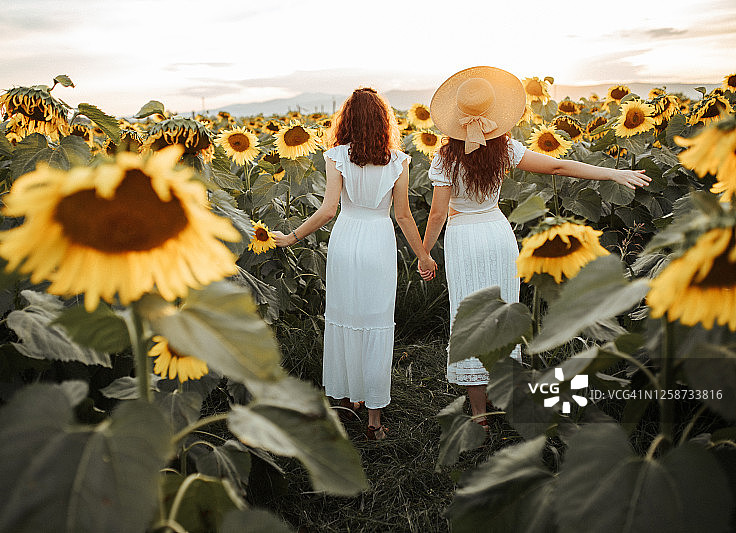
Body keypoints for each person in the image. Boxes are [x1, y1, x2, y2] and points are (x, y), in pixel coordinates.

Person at [417, 66, 651, 428]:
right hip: (497, 235)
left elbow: (436, 214)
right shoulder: (505, 149)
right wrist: (612, 172)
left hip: (464, 238)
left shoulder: (445, 158)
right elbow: (557, 166)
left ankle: (480, 415)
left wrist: (425, 253)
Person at [272, 87, 437, 440]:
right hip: (379, 242)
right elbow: (404, 217)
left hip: (346, 240)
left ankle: (342, 405)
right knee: (376, 323)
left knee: (343, 319)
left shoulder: (336, 156)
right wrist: (423, 255)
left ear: (347, 119)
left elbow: (328, 209)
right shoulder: (400, 161)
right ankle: (374, 420)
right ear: (383, 121)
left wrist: (291, 237)